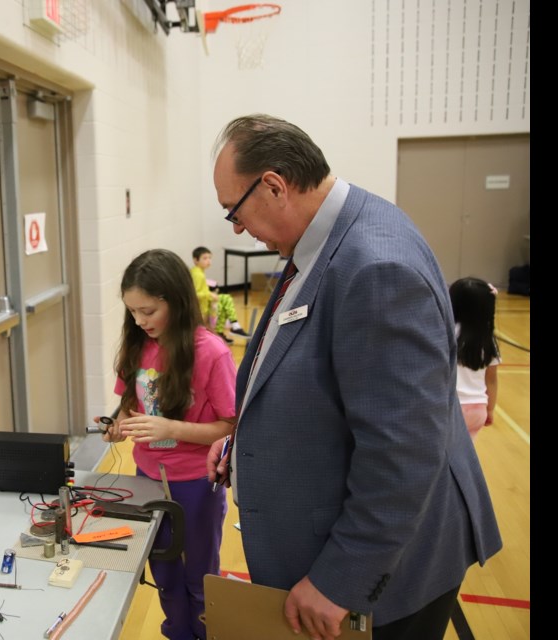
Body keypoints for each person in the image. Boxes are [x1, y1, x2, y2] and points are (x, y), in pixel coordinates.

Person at [206, 114, 501, 640]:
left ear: (273, 185)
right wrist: (240, 439)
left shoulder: (375, 268)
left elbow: (404, 451)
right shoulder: (326, 239)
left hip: (386, 583)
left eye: (235, 211)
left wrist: (342, 579)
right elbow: (304, 372)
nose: (236, 228)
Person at [98, 248, 237, 640]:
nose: (140, 321)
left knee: (200, 576)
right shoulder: (137, 346)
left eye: (148, 311)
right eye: (133, 313)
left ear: (175, 301)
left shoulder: (211, 351)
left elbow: (230, 426)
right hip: (147, 480)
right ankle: (178, 632)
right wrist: (117, 426)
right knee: (164, 572)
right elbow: (129, 407)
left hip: (196, 483)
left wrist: (170, 428)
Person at [450, 277, 501, 439]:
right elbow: (491, 379)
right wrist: (490, 409)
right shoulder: (488, 340)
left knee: (444, 459)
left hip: (451, 407)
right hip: (478, 408)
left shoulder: (448, 333)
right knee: (465, 459)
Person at [190, 246, 250, 344]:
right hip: (202, 307)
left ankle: (229, 328)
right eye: (205, 258)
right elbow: (194, 293)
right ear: (196, 260)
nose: (208, 261)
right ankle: (230, 327)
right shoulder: (198, 274)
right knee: (224, 302)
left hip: (205, 303)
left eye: (210, 258)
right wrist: (210, 295)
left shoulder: (197, 271)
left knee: (225, 300)